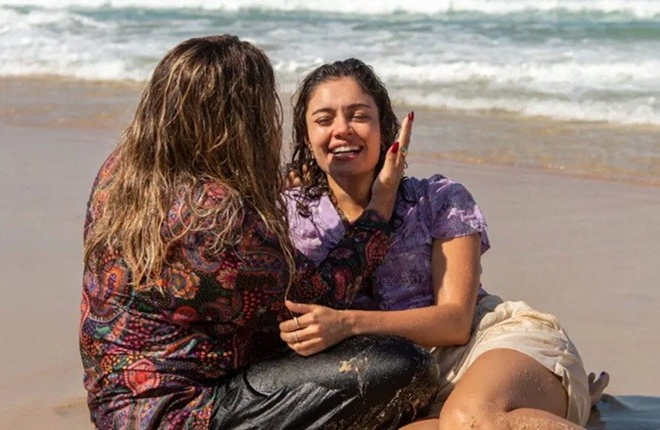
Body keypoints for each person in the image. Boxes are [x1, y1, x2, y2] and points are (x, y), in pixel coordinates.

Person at [79, 36, 438, 430]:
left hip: (115, 403)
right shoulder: (222, 221)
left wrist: (295, 175)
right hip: (186, 413)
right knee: (405, 366)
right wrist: (378, 210)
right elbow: (317, 300)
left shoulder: (121, 173)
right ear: (241, 117)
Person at [283, 58, 607, 429]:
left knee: (469, 416)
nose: (342, 130)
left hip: (484, 346)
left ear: (386, 127)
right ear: (306, 137)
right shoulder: (291, 216)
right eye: (324, 120)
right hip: (401, 383)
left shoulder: (438, 199)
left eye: (358, 116)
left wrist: (348, 324)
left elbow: (454, 322)